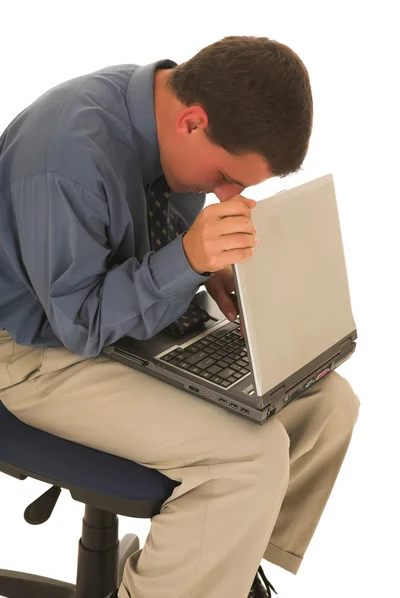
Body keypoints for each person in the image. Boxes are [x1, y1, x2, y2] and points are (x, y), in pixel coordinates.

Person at [0, 35, 360, 598]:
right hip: (34, 351)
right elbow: (81, 324)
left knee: (329, 405)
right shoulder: (66, 158)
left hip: (129, 327)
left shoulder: (160, 114)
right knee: (251, 460)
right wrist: (186, 259)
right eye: (226, 179)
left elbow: (147, 256)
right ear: (192, 122)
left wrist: (206, 270)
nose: (225, 196)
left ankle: (221, 570)